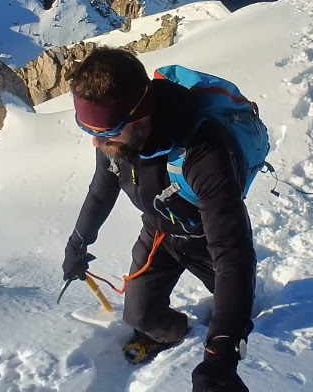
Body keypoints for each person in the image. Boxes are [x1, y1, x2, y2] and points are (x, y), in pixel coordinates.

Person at [63, 47, 255, 392]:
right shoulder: (114, 143)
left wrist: (221, 356)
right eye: (87, 129)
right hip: (158, 232)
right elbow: (100, 191)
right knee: (138, 316)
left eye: (107, 131)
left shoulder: (203, 151)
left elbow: (232, 252)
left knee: (237, 300)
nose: (96, 141)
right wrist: (78, 242)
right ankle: (175, 332)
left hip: (204, 239)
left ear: (139, 115)